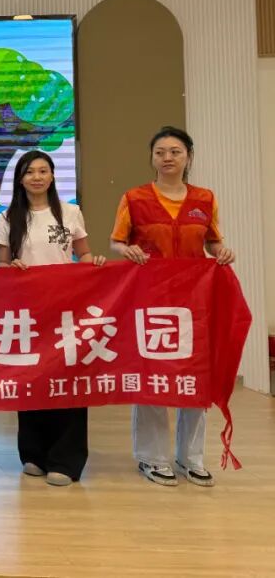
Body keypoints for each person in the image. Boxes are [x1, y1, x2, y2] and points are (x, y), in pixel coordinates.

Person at [110, 126, 235, 488]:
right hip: (152, 301)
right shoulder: (134, 197)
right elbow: (117, 241)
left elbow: (212, 242)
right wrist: (127, 250)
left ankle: (191, 457)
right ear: (152, 158)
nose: (167, 158)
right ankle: (152, 457)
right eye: (160, 152)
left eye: (175, 151)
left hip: (195, 303)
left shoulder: (204, 199)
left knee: (195, 376)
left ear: (188, 157)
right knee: (153, 376)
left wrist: (222, 252)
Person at [0, 150, 105, 487]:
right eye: (30, 172)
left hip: (66, 308)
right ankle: (34, 454)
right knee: (31, 379)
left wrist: (94, 263)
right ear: (20, 178)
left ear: (53, 176)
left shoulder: (70, 212)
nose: (37, 177)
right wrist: (11, 268)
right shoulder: (8, 217)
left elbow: (83, 253)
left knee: (68, 378)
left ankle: (66, 459)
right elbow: (1, 263)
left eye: (43, 171)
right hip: (27, 312)